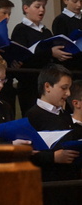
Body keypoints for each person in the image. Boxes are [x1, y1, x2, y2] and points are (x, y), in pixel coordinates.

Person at [26, 64, 81, 205]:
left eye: (69, 88)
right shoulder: (33, 116)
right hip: (47, 185)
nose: (68, 93)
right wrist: (54, 157)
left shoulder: (64, 115)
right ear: (47, 87)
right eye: (64, 88)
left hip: (70, 183)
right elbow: (28, 154)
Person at [11, 0, 69, 116]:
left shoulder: (46, 32)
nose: (41, 10)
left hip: (47, 83)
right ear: (26, 8)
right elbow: (22, 57)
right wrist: (49, 52)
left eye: (43, 6)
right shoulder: (20, 30)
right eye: (37, 6)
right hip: (29, 83)